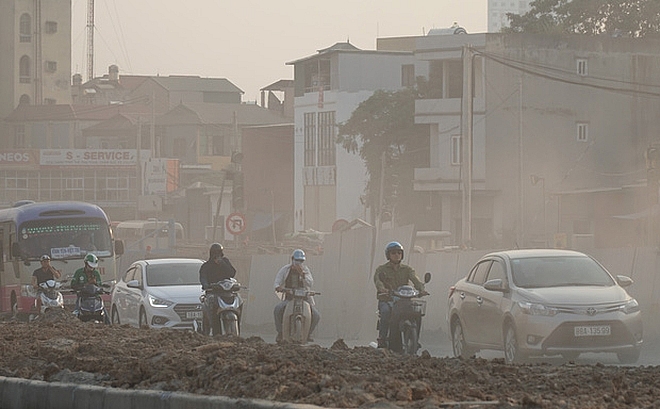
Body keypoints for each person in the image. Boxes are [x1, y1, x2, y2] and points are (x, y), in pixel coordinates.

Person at [374, 241, 427, 350]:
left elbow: (415, 280)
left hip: (404, 301)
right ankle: (382, 339)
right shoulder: (381, 269)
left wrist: (421, 289)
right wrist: (382, 289)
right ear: (388, 255)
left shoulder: (407, 269)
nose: (396, 255)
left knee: (417, 313)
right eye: (393, 253)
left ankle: (415, 340)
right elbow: (378, 281)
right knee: (385, 312)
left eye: (399, 252)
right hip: (387, 299)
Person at [273, 249, 320, 343]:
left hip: (304, 299)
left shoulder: (305, 271)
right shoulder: (285, 269)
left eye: (301, 261)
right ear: (292, 259)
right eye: (297, 260)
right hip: (290, 298)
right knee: (278, 309)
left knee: (316, 315)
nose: (299, 263)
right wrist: (278, 287)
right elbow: (277, 281)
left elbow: (310, 283)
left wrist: (302, 275)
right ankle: (280, 332)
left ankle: (308, 333)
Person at [199, 243, 237, 335]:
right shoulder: (206, 266)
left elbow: (232, 273)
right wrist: (206, 285)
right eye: (215, 253)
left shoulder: (225, 262)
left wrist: (222, 264)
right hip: (213, 292)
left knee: (238, 298)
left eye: (219, 253)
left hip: (226, 292)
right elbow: (203, 277)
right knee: (211, 302)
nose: (217, 255)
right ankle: (215, 329)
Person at [71, 253, 104, 318]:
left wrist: (96, 283)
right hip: (83, 297)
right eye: (90, 267)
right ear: (86, 264)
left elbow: (100, 286)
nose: (91, 269)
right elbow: (73, 285)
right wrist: (86, 285)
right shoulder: (79, 272)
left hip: (95, 298)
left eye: (93, 267)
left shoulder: (96, 273)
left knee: (104, 311)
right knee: (75, 313)